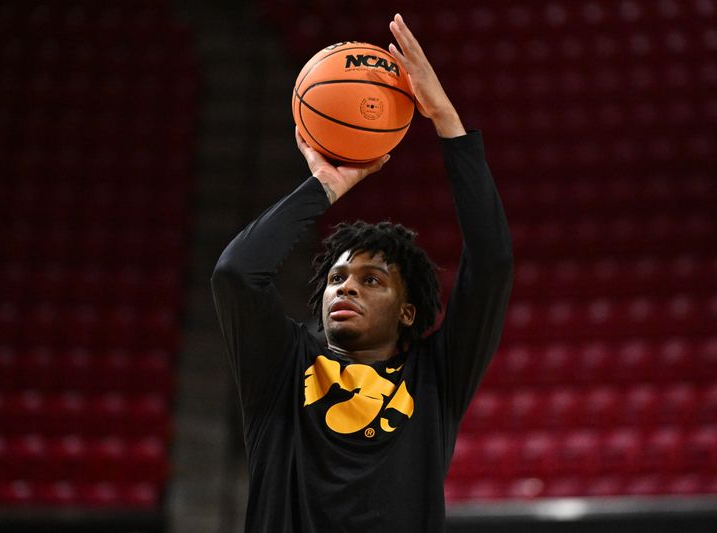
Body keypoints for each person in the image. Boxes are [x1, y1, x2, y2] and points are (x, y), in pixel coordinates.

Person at [211, 13, 513, 533]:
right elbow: (236, 275)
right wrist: (323, 187)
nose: (346, 285)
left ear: (408, 311)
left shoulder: (436, 376)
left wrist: (445, 119)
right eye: (336, 278)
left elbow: (491, 264)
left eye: (371, 280)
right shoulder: (282, 366)